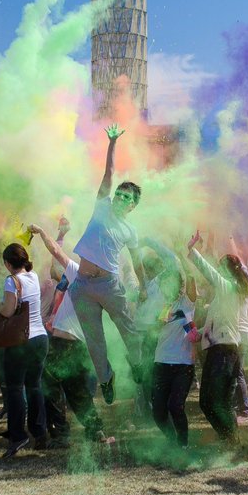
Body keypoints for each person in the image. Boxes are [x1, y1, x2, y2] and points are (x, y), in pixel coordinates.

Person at [69, 124, 146, 404]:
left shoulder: (130, 231)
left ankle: (136, 364)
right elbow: (109, 174)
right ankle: (106, 379)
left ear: (132, 206)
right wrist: (112, 143)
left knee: (129, 330)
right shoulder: (101, 207)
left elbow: (137, 263)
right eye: (120, 194)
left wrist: (145, 284)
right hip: (82, 286)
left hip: (109, 285)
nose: (121, 198)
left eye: (128, 197)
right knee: (95, 341)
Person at [29, 223, 112, 447]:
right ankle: (96, 431)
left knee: (51, 387)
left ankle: (63, 434)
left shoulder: (81, 275)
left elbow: (56, 252)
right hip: (76, 346)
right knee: (77, 392)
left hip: (64, 343)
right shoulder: (105, 285)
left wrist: (41, 230)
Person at [188, 231, 248, 445]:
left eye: (220, 266)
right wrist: (200, 335)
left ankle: (231, 440)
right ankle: (231, 441)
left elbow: (208, 272)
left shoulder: (228, 287)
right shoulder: (233, 291)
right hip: (226, 350)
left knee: (210, 402)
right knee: (220, 402)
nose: (217, 270)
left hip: (224, 353)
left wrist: (192, 250)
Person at [0, 242, 49, 458]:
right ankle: (40, 431)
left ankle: (18, 435)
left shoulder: (12, 281)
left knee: (16, 388)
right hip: (40, 338)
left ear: (8, 264)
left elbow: (8, 311)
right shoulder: (34, 276)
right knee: (35, 386)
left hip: (20, 341)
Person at [150, 265, 199, 448]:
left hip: (182, 365)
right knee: (158, 411)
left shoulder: (186, 303)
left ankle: (183, 445)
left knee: (175, 406)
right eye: (165, 283)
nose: (167, 286)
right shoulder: (161, 305)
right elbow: (154, 333)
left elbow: (193, 289)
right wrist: (157, 322)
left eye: (171, 282)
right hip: (161, 363)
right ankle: (172, 443)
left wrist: (190, 261)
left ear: (179, 285)